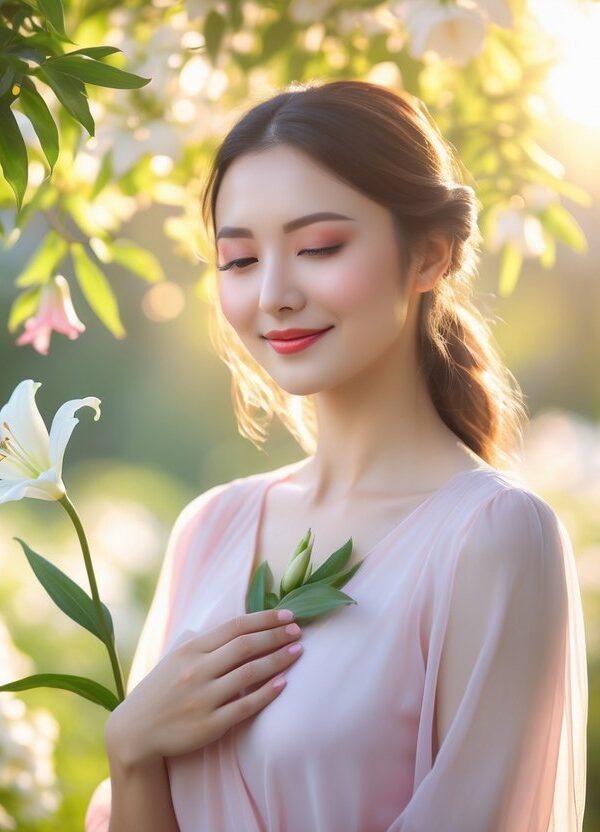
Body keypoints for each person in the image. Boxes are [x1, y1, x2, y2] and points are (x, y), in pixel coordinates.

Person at [85, 79, 588, 831]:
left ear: (430, 255)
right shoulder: (211, 527)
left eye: (319, 247)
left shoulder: (492, 538)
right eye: (240, 260)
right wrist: (131, 751)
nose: (275, 294)